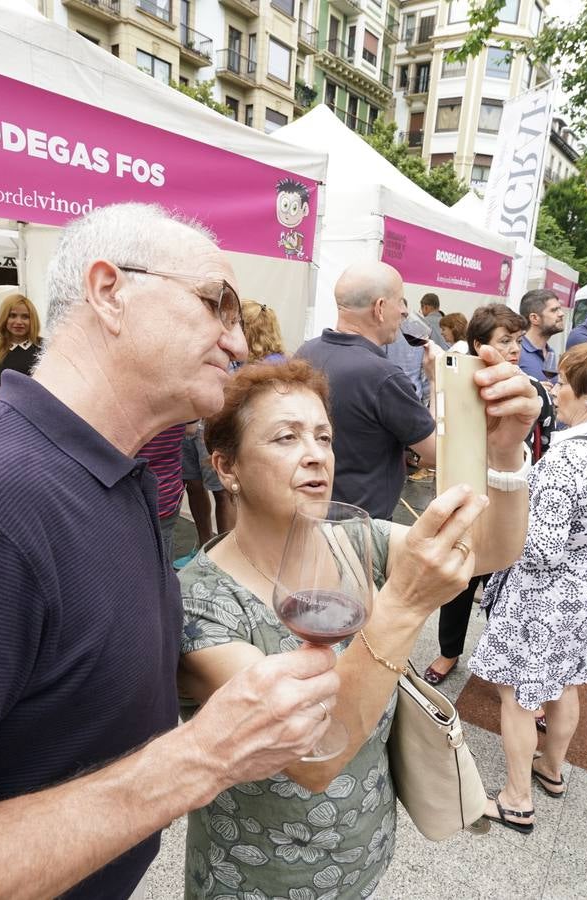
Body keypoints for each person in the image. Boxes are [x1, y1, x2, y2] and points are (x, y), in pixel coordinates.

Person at [0, 203, 341, 899]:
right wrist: (199, 758)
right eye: (217, 303)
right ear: (110, 292)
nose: (236, 339)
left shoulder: (110, 473)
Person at [175, 356, 535, 897]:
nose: (315, 454)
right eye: (285, 438)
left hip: (363, 848)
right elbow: (315, 757)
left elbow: (491, 550)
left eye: (323, 436)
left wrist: (504, 452)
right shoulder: (201, 603)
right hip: (262, 875)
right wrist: (406, 604)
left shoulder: (353, 540)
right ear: (226, 468)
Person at [469, 342, 587, 832]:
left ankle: (516, 798)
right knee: (566, 683)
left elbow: (540, 550)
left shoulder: (567, 458)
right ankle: (551, 769)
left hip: (543, 597)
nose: (556, 390)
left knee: (519, 696)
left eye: (565, 383)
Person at [424, 304, 554, 686]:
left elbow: (545, 441)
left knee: (505, 584)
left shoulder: (531, 392)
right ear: (480, 346)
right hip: (467, 496)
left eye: (517, 340)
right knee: (459, 584)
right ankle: (450, 652)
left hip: (515, 501)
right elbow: (440, 438)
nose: (514, 348)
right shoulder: (462, 386)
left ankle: (501, 659)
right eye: (505, 341)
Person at [295, 261, 439, 520]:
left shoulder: (305, 353)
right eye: (401, 302)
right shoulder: (383, 377)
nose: (404, 313)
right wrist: (437, 381)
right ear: (380, 308)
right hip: (361, 531)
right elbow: (436, 453)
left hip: (307, 516)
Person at [176, 419, 236, 568]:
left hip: (209, 423)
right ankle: (203, 548)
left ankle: (227, 557)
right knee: (193, 486)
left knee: (222, 492)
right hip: (182, 422)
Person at [141, 422, 188, 563]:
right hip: (166, 493)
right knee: (163, 553)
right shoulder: (182, 401)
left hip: (128, 495)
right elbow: (191, 429)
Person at [0, 293, 44, 385]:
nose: (19, 322)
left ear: (33, 320)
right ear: (4, 318)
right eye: (12, 316)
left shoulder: (45, 347)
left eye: (25, 317)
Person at [518, 288, 563, 385]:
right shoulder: (516, 352)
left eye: (560, 309)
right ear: (534, 318)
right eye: (554, 310)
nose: (561, 314)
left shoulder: (551, 353)